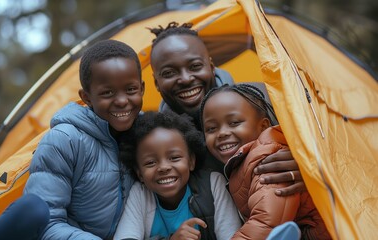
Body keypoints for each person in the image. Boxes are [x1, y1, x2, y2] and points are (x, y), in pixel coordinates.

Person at [0, 39, 145, 239]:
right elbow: (47, 223)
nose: (122, 101)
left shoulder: (147, 135)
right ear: (86, 97)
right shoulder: (65, 140)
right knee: (32, 208)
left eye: (130, 90)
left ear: (142, 89)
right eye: (107, 93)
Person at [148, 22, 306, 196]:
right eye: (169, 73)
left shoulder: (265, 98)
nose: (185, 79)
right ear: (156, 82)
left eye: (195, 66)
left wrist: (304, 166)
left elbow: (322, 148)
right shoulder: (157, 142)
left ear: (211, 66)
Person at [200, 84, 331, 239]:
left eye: (234, 123)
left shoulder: (267, 159)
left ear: (263, 126)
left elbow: (267, 221)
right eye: (211, 129)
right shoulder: (241, 163)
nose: (222, 133)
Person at [114, 111, 242, 239]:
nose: (163, 168)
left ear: (191, 161)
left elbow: (232, 236)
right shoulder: (141, 193)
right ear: (139, 173)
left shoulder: (212, 184)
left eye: (174, 158)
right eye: (151, 162)